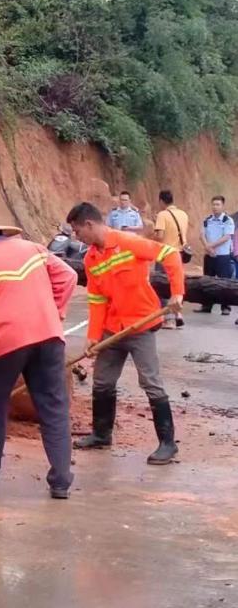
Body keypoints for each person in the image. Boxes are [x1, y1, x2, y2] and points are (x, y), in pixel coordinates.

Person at [0, 214, 77, 499]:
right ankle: (61, 480)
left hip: (7, 341)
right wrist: (55, 311)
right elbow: (69, 277)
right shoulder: (33, 248)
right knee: (54, 407)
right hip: (48, 335)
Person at [67, 203, 184, 465]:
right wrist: (93, 336)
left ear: (89, 224)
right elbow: (96, 299)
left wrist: (177, 292)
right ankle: (101, 434)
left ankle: (167, 444)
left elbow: (170, 254)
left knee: (150, 382)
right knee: (102, 382)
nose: (76, 237)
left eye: (77, 231)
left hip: (140, 325)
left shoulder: (128, 243)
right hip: (112, 329)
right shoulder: (91, 259)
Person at [153, 190, 189, 329]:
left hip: (165, 254)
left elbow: (160, 236)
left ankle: (167, 319)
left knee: (163, 286)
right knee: (177, 285)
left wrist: (151, 237)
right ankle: (178, 314)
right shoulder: (183, 214)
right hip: (179, 254)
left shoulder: (162, 215)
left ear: (161, 201)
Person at [197, 195, 235, 316]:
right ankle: (207, 305)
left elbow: (227, 237)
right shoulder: (207, 220)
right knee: (207, 280)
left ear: (223, 206)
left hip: (223, 256)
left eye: (218, 204)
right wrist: (207, 246)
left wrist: (211, 245)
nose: (215, 207)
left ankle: (226, 307)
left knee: (225, 282)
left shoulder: (228, 220)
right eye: (213, 204)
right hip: (209, 255)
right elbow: (202, 235)